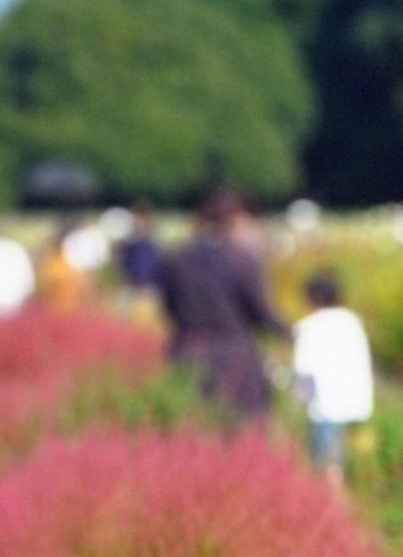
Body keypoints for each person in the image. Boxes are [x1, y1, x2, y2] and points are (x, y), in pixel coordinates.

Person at [156, 188, 283, 419]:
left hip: (187, 349)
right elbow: (261, 311)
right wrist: (291, 332)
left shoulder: (176, 257)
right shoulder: (241, 258)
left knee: (192, 426)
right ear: (236, 219)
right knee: (243, 428)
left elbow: (167, 307)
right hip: (234, 355)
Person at [289, 266, 374, 485]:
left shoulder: (310, 326)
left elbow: (303, 372)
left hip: (325, 406)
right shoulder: (352, 321)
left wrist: (296, 405)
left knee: (327, 466)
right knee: (347, 460)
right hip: (355, 404)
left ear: (313, 298)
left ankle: (331, 499)